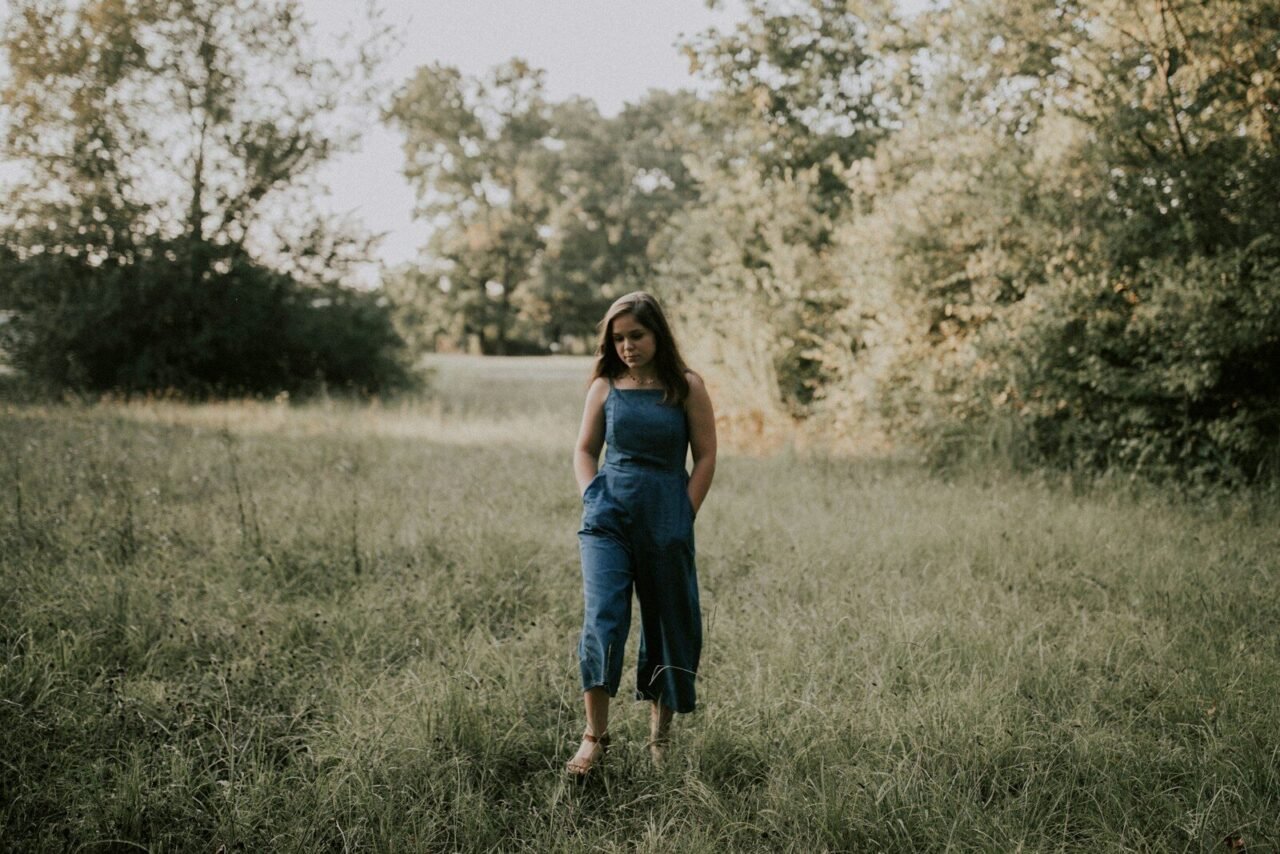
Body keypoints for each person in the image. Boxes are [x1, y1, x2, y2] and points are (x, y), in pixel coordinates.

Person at [565, 291, 717, 777]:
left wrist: (683, 514)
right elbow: (585, 450)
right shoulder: (605, 387)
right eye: (618, 338)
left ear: (657, 335)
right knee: (603, 618)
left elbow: (706, 455)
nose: (627, 346)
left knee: (667, 623)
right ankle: (595, 737)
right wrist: (593, 496)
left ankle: (659, 741)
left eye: (636, 336)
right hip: (609, 518)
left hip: (665, 519)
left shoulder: (685, 386)